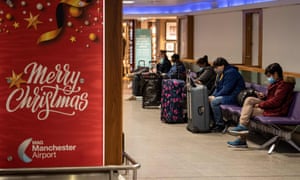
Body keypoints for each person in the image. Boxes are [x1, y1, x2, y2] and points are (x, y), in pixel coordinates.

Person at [227, 63, 295, 148]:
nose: (268, 78)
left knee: (248, 112)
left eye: (269, 76)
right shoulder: (277, 83)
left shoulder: (284, 85)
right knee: (249, 100)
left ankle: (242, 139)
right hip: (270, 106)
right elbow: (272, 98)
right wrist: (264, 96)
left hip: (276, 110)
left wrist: (260, 104)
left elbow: (276, 102)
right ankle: (242, 128)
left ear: (276, 73)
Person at [209, 57, 245, 132]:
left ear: (222, 66)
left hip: (235, 97)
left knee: (214, 102)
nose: (215, 69)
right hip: (228, 95)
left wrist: (215, 97)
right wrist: (212, 95)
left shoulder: (231, 73)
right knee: (210, 99)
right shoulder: (222, 73)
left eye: (216, 67)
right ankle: (214, 122)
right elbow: (218, 87)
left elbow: (226, 89)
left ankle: (220, 125)